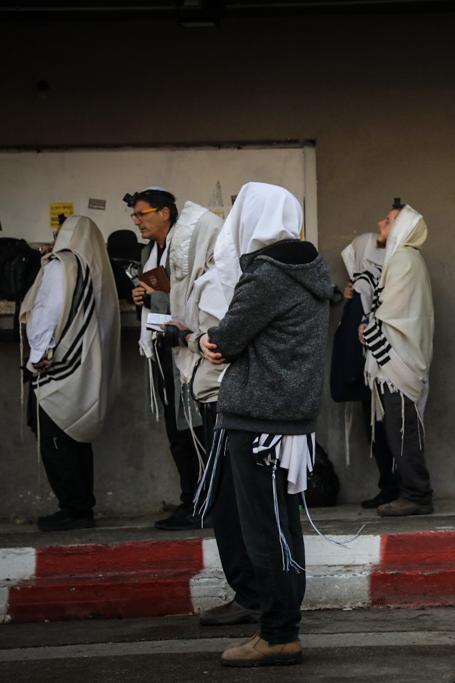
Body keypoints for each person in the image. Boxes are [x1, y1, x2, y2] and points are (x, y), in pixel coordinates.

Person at [200, 182, 332, 667]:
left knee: (262, 532)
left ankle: (278, 634)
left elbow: (227, 338)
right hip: (289, 419)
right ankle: (282, 629)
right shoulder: (311, 269)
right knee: (282, 528)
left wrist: (206, 342)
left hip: (256, 419)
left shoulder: (266, 274)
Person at [157, 203, 262, 628]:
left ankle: (250, 595)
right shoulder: (226, 277)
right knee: (231, 500)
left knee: (228, 502)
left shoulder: (223, 280)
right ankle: (252, 593)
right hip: (226, 401)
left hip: (225, 402)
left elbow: (220, 344)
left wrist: (184, 335)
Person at [21, 216, 120, 531]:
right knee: (76, 438)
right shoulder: (92, 270)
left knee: (54, 437)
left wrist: (38, 356)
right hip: (82, 368)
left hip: (56, 368)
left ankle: (72, 508)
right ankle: (82, 505)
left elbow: (46, 313)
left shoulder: (60, 265)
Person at [129, 187, 205, 530]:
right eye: (135, 215)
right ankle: (190, 499)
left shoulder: (183, 247)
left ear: (164, 213)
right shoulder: (150, 251)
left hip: (186, 348)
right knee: (177, 432)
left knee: (192, 428)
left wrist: (156, 297)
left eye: (142, 214)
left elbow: (184, 296)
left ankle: (201, 502)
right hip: (162, 347)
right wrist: (143, 299)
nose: (137, 221)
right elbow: (159, 299)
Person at [360, 202, 435, 517]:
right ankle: (411, 492)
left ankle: (417, 494)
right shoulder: (402, 259)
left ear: (403, 228)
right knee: (397, 428)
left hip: (399, 361)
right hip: (395, 359)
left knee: (402, 429)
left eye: (390, 220)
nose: (382, 222)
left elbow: (392, 311)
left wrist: (369, 329)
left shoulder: (404, 259)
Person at [332, 216, 398, 510]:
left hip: (377, 371)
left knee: (385, 432)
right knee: (383, 431)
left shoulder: (372, 282)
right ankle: (393, 487)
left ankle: (393, 488)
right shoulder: (370, 284)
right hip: (379, 370)